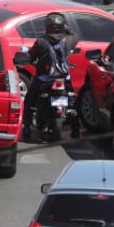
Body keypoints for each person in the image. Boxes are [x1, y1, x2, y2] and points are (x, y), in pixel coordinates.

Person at [22, 13, 78, 141]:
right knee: (72, 103)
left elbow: (30, 57)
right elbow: (75, 35)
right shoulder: (69, 40)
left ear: (47, 27)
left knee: (30, 100)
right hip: (64, 79)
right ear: (62, 26)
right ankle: (75, 129)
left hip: (44, 78)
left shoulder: (41, 42)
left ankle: (26, 126)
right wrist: (66, 27)